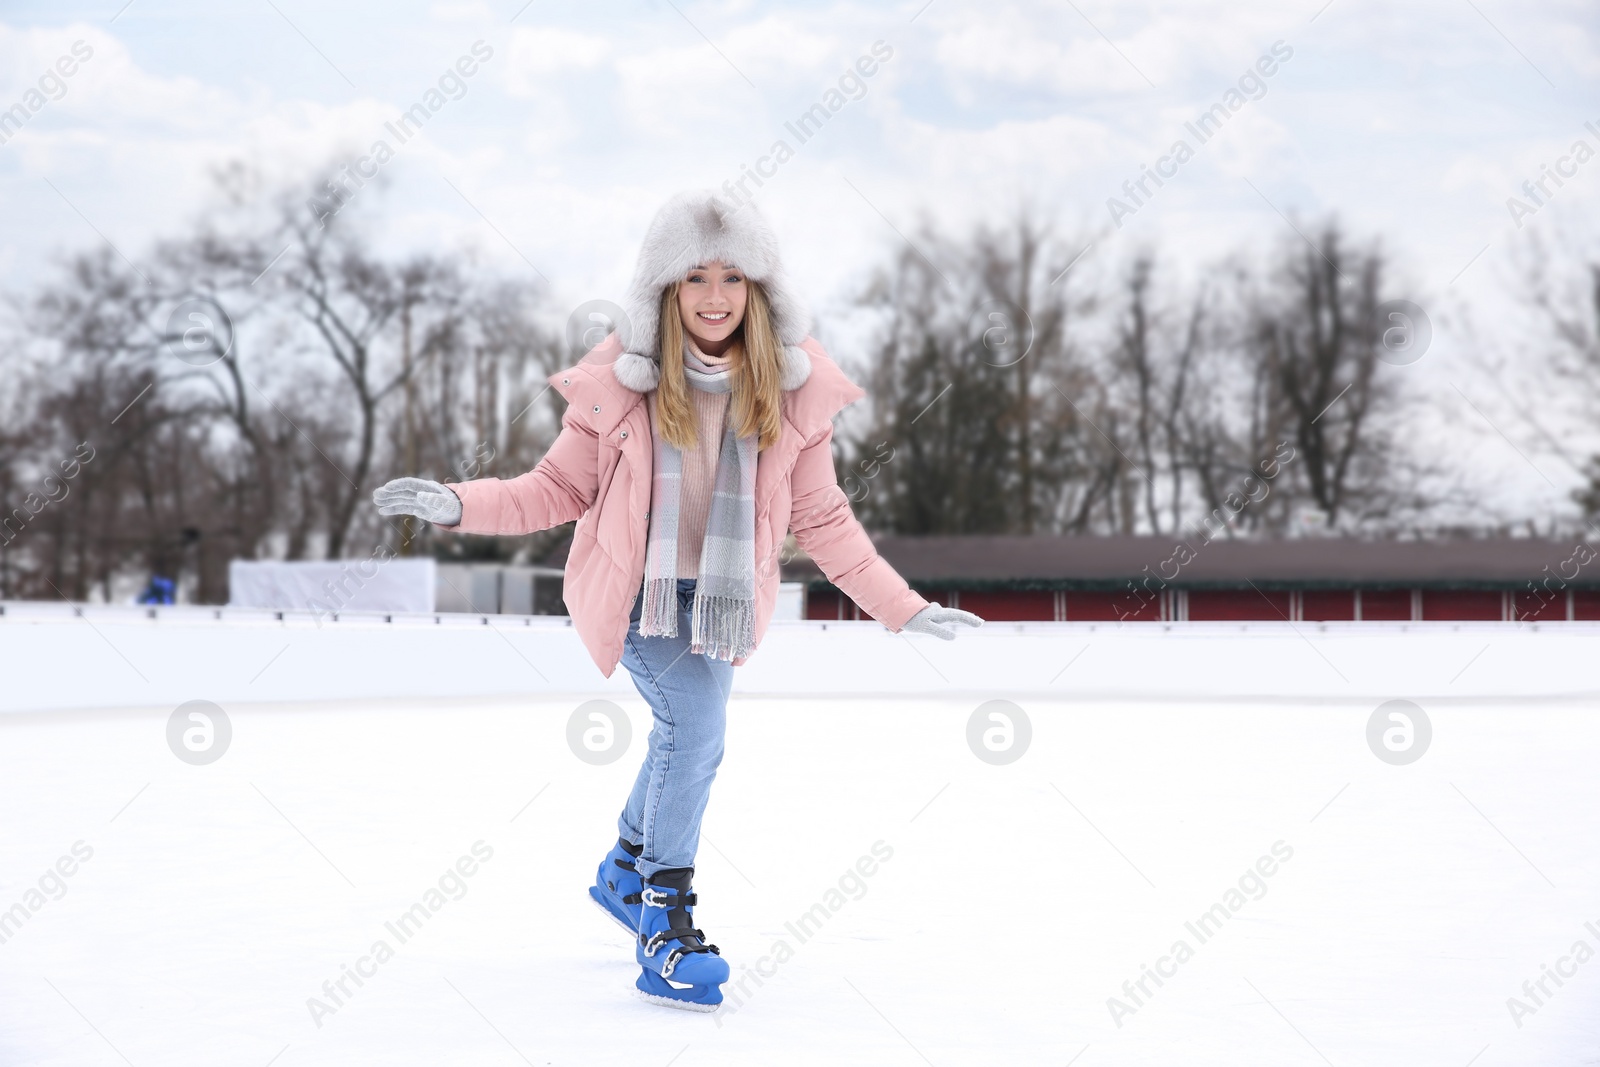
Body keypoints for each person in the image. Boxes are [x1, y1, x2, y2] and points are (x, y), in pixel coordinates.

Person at [372, 189, 983, 1011]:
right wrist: (458, 502)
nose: (715, 295)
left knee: (688, 740)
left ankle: (624, 868)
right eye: (695, 276)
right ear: (665, 286)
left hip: (722, 600)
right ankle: (665, 922)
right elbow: (553, 488)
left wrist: (902, 605)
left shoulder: (792, 395)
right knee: (694, 730)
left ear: (759, 288)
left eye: (734, 275)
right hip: (637, 596)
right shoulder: (620, 385)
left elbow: (822, 518)